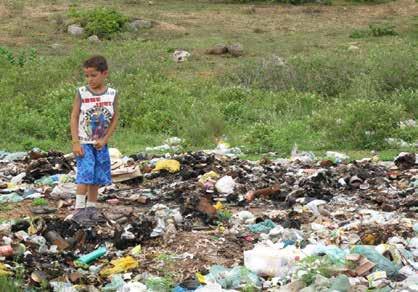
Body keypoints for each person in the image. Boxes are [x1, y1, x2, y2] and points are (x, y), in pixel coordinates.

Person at [70, 55, 119, 216]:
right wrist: (75, 141)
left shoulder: (112, 94)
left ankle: (91, 207)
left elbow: (115, 118)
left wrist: (105, 139)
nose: (89, 79)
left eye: (93, 75)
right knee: (85, 173)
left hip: (100, 143)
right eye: (86, 75)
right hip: (84, 141)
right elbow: (75, 116)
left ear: (104, 73)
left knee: (97, 175)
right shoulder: (82, 93)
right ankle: (78, 209)